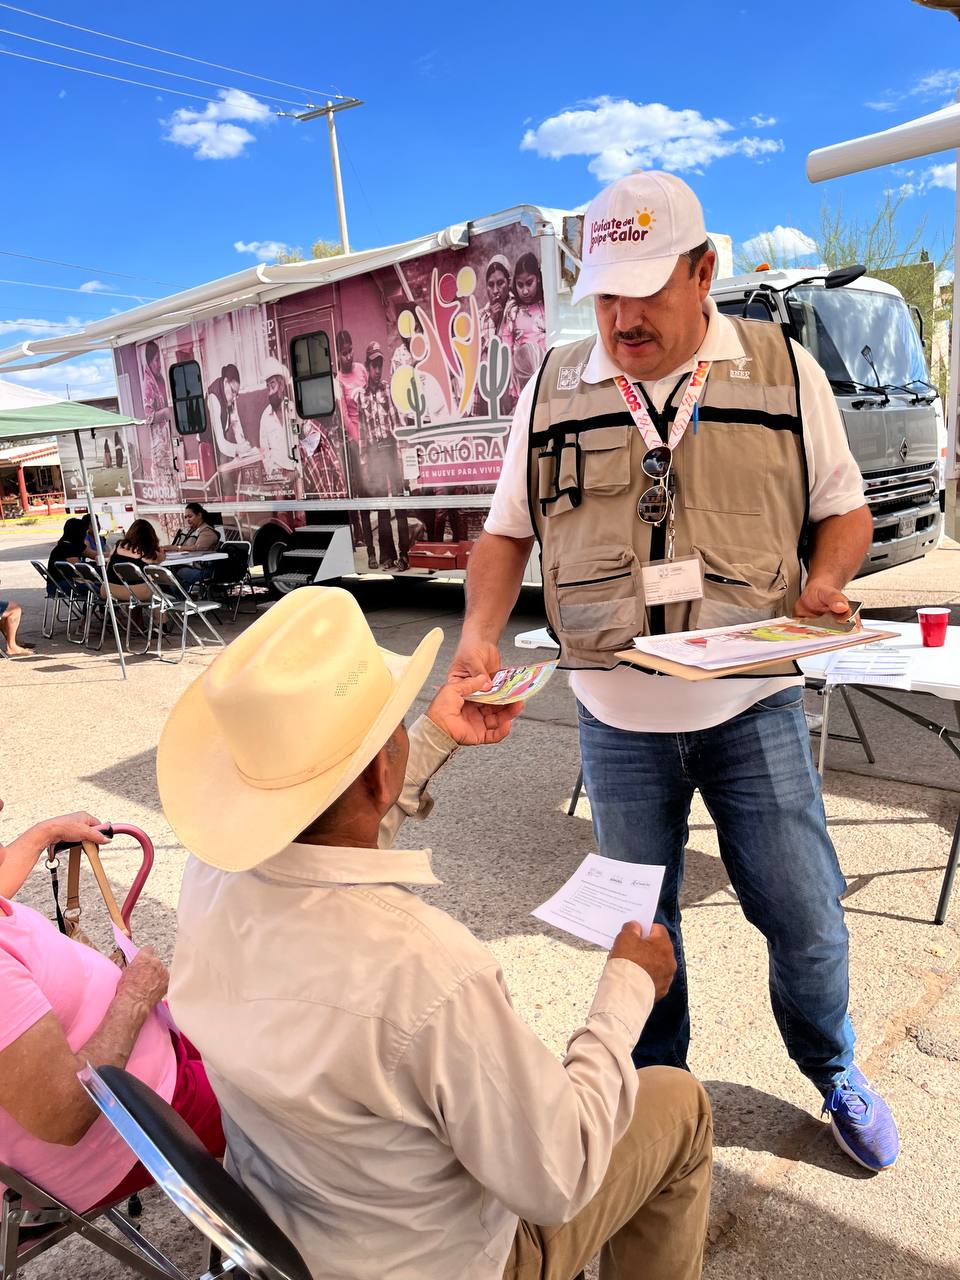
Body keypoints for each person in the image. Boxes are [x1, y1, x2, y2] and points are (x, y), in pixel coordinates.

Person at [451, 170, 899, 1173]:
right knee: (637, 926)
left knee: (805, 912)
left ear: (706, 271)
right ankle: (658, 1105)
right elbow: (503, 533)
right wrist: (480, 632)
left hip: (755, 702)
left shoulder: (784, 369)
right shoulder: (554, 382)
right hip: (615, 718)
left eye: (647, 288)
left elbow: (847, 508)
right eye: (605, 292)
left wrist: (827, 578)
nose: (622, 316)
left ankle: (833, 1069)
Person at [164, 588, 712, 1280]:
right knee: (679, 1105)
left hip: (292, 1229)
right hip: (446, 1260)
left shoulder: (209, 875)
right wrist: (628, 989)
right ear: (376, 771)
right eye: (393, 724)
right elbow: (559, 1178)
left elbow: (325, 840)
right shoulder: (423, 968)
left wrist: (431, 736)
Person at [0, 821, 224, 1213]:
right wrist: (134, 998)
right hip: (129, 1122)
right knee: (281, 1093)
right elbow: (64, 1116)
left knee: (240, 1023)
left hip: (146, 1067)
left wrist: (42, 835)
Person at [356, 341, 411, 571]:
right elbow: (362, 434)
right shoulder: (361, 397)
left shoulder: (389, 389)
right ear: (367, 367)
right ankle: (386, 555)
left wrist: (402, 457)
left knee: (399, 503)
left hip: (390, 449)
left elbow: (398, 423)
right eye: (374, 366)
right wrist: (365, 464)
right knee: (381, 507)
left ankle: (404, 554)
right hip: (374, 453)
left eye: (380, 365)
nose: (378, 370)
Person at [335, 329, 375, 568]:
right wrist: (359, 442)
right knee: (360, 489)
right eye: (344, 353)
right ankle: (361, 535)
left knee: (374, 490)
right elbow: (345, 417)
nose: (348, 356)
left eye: (350, 351)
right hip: (354, 441)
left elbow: (371, 399)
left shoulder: (361, 370)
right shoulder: (338, 379)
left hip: (371, 435)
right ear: (338, 356)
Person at [499, 251, 546, 413]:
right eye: (520, 285)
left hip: (547, 375)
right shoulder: (513, 311)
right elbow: (506, 348)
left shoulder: (549, 305)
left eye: (529, 283)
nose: (525, 291)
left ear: (538, 278)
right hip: (522, 381)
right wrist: (508, 387)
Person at [100, 519, 165, 607]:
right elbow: (161, 558)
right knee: (157, 592)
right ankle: (161, 620)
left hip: (108, 590)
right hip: (134, 592)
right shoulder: (145, 552)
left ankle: (135, 620)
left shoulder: (118, 546)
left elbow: (108, 565)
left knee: (138, 586)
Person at [162, 502, 220, 594]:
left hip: (201, 569)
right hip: (185, 565)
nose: (187, 519)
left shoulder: (207, 532)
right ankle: (174, 599)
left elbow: (198, 548)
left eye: (190, 516)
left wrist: (177, 548)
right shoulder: (187, 530)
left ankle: (179, 600)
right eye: (186, 517)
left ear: (199, 515)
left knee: (175, 574)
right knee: (163, 573)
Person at [258, 358, 297, 491]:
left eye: (273, 385)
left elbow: (301, 445)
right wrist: (274, 474)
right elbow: (265, 452)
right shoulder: (265, 417)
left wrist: (296, 471)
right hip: (277, 473)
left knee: (301, 508)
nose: (270, 391)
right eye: (267, 386)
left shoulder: (293, 410)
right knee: (281, 508)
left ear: (281, 385)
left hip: (295, 470)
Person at [45, 516, 87, 594]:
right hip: (60, 586)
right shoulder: (68, 548)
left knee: (98, 586)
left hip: (56, 584)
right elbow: (78, 570)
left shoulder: (63, 545)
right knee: (100, 588)